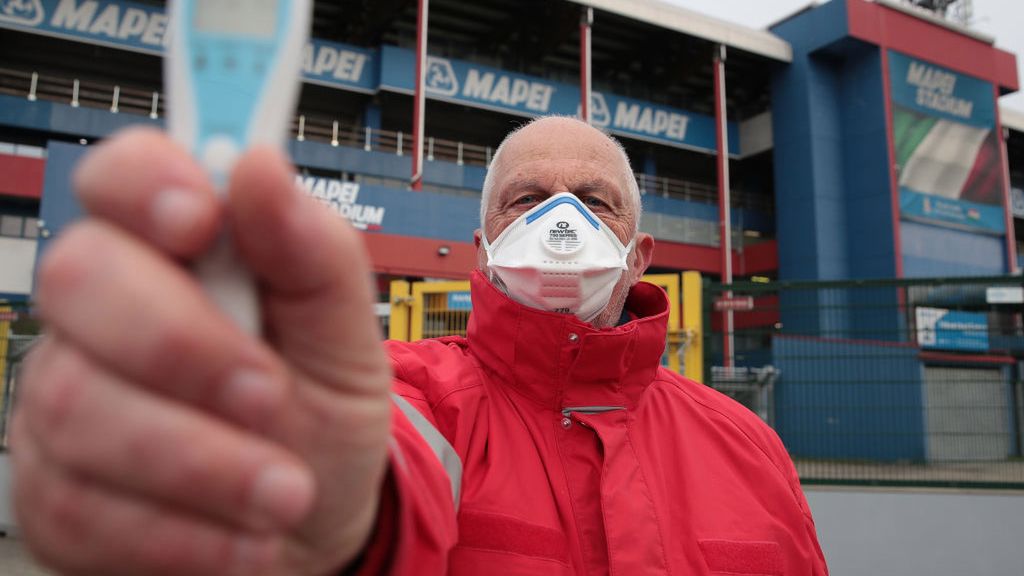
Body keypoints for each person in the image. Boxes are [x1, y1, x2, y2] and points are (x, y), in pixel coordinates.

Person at [12, 116, 828, 575]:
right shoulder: (407, 392)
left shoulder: (749, 447)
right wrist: (329, 516)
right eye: (529, 200)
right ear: (482, 246)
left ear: (638, 252)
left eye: (593, 202)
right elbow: (378, 463)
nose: (561, 224)